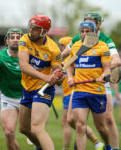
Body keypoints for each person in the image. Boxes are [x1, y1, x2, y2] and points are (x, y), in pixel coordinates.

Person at [64, 12, 120, 150]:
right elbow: (68, 63)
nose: (84, 34)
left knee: (102, 126)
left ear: (96, 28)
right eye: (82, 31)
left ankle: (108, 145)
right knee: (79, 125)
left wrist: (104, 74)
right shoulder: (76, 44)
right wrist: (69, 76)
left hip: (97, 90)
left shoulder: (104, 45)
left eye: (88, 31)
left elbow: (112, 65)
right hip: (80, 90)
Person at [18, 14, 64, 150]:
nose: (31, 30)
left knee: (37, 127)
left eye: (36, 29)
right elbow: (23, 66)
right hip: (28, 88)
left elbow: (59, 81)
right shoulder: (24, 39)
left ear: (44, 31)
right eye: (31, 27)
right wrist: (45, 77)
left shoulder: (53, 49)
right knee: (23, 129)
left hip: (44, 89)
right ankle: (40, 146)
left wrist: (59, 76)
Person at [58, 36, 73, 150]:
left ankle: (66, 148)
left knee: (66, 122)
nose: (61, 48)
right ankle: (97, 143)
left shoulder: (71, 60)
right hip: (67, 95)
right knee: (75, 123)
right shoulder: (62, 61)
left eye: (63, 46)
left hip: (71, 94)